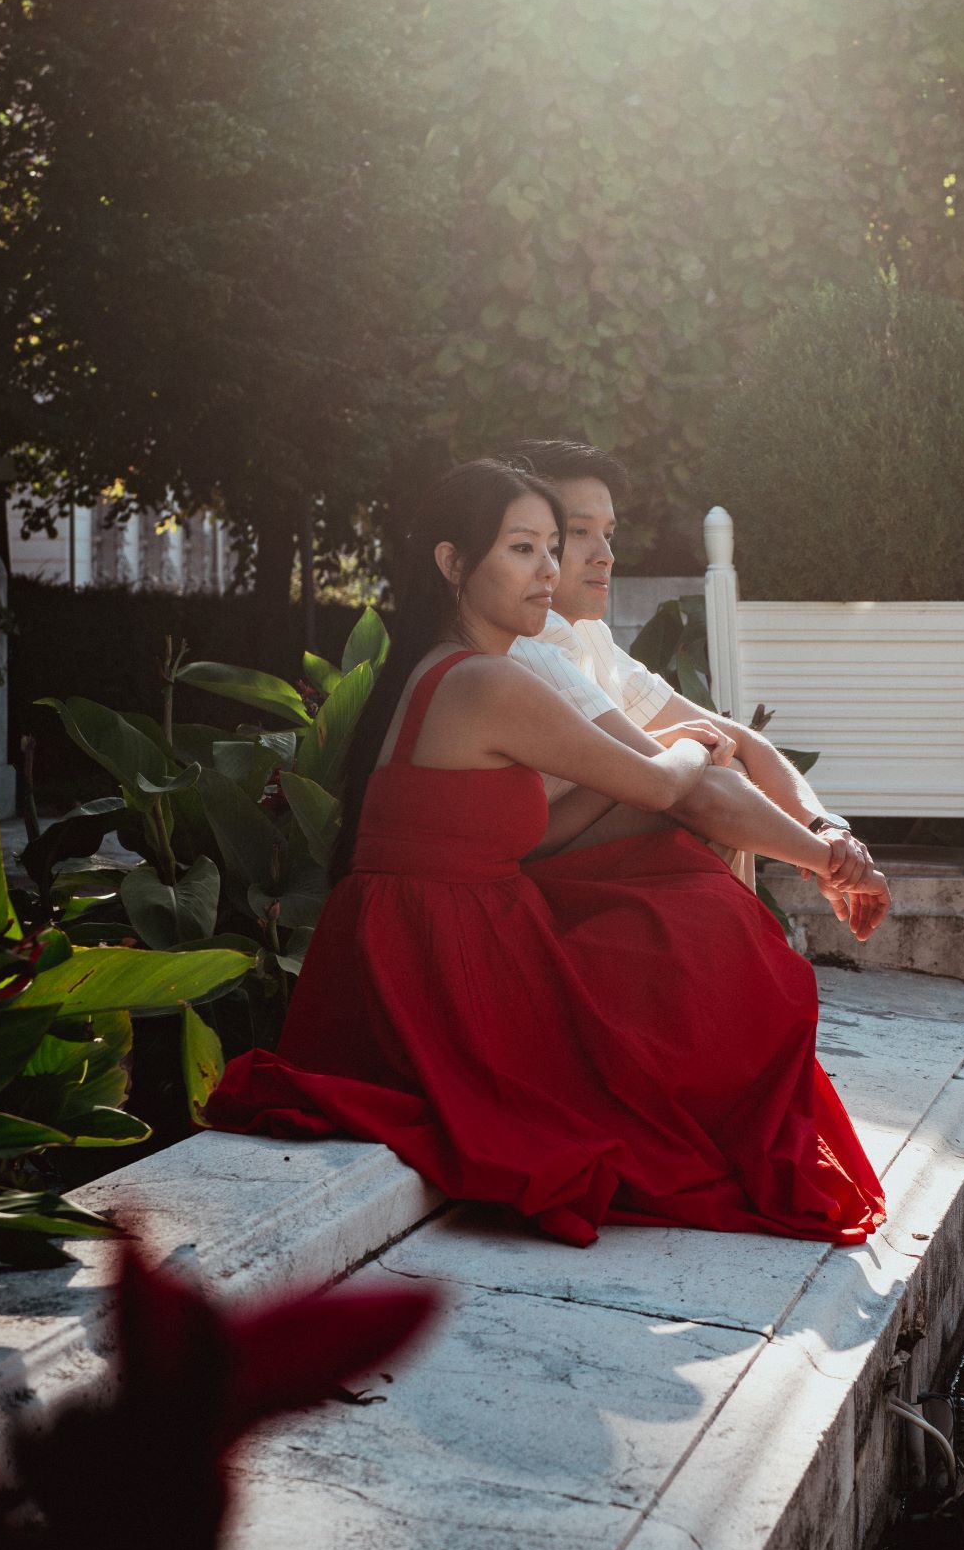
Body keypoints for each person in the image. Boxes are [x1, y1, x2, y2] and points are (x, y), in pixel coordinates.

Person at [208, 459, 885, 1250]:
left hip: (416, 941)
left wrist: (687, 763)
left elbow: (565, 814)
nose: (549, 572)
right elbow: (660, 785)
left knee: (684, 913)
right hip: (445, 962)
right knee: (708, 938)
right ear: (453, 563)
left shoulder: (437, 666)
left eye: (551, 550)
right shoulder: (490, 682)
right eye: (522, 549)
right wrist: (698, 745)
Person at [507, 439, 891, 940]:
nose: (606, 555)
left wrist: (826, 827)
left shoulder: (586, 634)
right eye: (580, 532)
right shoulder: (531, 645)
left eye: (609, 534)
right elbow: (678, 787)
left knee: (724, 771)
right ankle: (747, 960)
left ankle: (743, 958)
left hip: (575, 849)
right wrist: (831, 862)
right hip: (529, 876)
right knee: (712, 783)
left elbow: (744, 740)